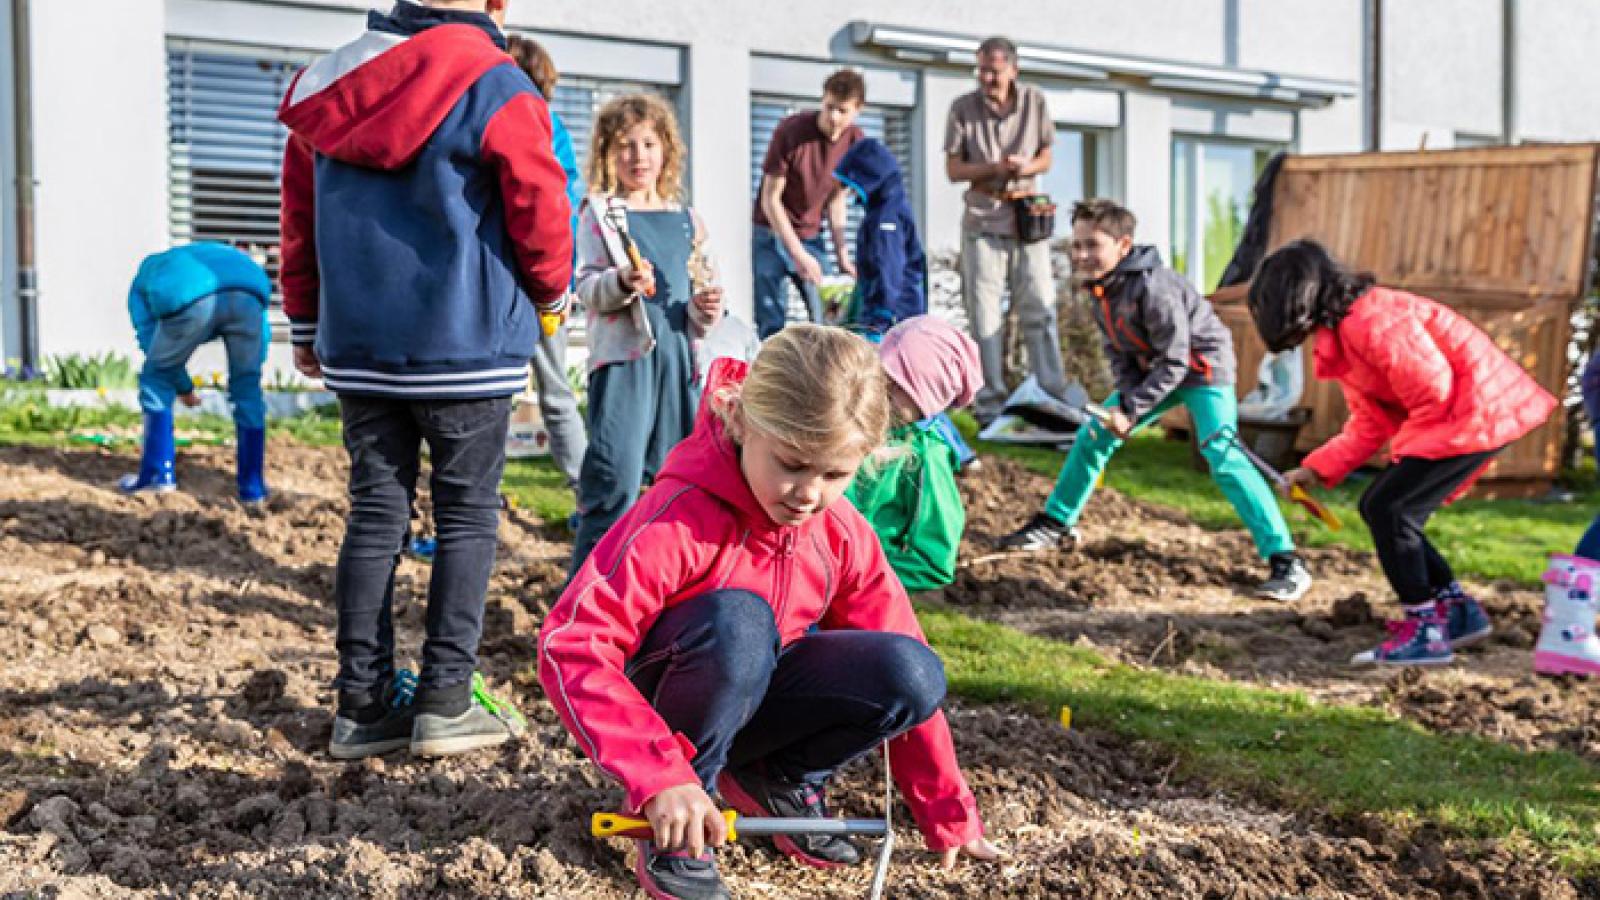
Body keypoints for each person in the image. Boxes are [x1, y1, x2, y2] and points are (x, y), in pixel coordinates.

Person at [539, 326, 998, 900]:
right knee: (740, 625)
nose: (809, 493)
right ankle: (682, 823)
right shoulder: (680, 518)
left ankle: (778, 776)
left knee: (912, 672)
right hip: (667, 712)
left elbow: (900, 646)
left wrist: (948, 813)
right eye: (792, 464)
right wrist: (659, 775)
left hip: (756, 691)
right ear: (743, 423)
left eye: (835, 474)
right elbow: (573, 642)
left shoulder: (840, 534)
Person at [279, 0, 572, 758]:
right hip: (467, 343)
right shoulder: (499, 81)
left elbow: (300, 220)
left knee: (374, 515)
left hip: (362, 346)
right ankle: (445, 701)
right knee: (468, 517)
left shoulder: (326, 82)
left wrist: (306, 323)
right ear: (497, 4)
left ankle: (362, 707)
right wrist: (552, 293)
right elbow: (540, 205)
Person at [1248, 239, 1556, 665]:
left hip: (1478, 411)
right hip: (1465, 413)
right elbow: (1369, 422)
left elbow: (1435, 390)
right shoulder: (1344, 334)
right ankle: (1457, 612)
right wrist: (1315, 469)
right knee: (1387, 507)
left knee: (1389, 508)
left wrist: (1405, 455)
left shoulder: (1372, 321)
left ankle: (1425, 631)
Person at [1001, 199, 1314, 603]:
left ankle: (1286, 560)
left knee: (1222, 454)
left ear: (1123, 245)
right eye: (1076, 246)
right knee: (1096, 433)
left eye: (1092, 246)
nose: (1081, 255)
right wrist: (1122, 408)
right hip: (1157, 371)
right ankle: (1056, 522)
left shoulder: (1154, 287)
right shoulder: (1101, 289)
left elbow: (1176, 359)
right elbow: (1119, 354)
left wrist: (1131, 411)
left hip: (1202, 369)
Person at [569, 93, 724, 572]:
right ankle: (582, 601)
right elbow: (585, 287)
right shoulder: (601, 215)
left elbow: (698, 294)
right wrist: (620, 283)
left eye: (649, 144)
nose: (638, 156)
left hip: (679, 364)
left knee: (678, 488)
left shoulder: (688, 221)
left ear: (666, 151)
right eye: (625, 145)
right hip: (625, 364)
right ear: (608, 154)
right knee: (613, 484)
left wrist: (706, 307)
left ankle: (661, 593)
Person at [944, 35, 1069, 425]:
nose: (986, 78)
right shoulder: (962, 108)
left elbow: (1047, 155)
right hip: (982, 219)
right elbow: (953, 169)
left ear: (1013, 70)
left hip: (1027, 219)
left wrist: (1025, 167)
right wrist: (994, 167)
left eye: (994, 71)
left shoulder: (1035, 101)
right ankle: (990, 407)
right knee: (984, 318)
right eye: (981, 70)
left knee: (1040, 311)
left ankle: (1052, 400)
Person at [122, 241, 272, 502]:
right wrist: (248, 373)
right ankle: (253, 487)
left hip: (186, 296)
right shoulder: (233, 261)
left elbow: (155, 352)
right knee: (247, 389)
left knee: (155, 379)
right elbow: (263, 336)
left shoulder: (146, 279)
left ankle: (157, 477)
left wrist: (183, 387)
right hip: (250, 293)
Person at [505, 33, 589, 492]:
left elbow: (564, 207)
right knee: (545, 392)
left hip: (534, 283)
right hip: (533, 280)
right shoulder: (550, 128)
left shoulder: (545, 128)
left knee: (553, 391)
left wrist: (564, 281)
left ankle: (586, 494)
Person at [845, 316, 981, 593]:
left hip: (848, 595)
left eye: (898, 387)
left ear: (926, 399)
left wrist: (860, 581)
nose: (882, 391)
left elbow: (934, 561)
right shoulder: (852, 418)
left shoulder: (927, 456)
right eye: (882, 377)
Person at [752, 69, 865, 338]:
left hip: (812, 236)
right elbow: (771, 199)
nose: (834, 118)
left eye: (842, 111)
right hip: (771, 233)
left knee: (829, 318)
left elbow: (837, 199)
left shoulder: (854, 142)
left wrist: (842, 255)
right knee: (771, 323)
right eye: (829, 108)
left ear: (857, 110)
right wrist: (798, 254)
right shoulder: (791, 131)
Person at [833, 137, 924, 334]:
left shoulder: (886, 219)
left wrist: (879, 320)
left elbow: (888, 268)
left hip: (890, 322)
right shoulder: (888, 211)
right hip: (895, 318)